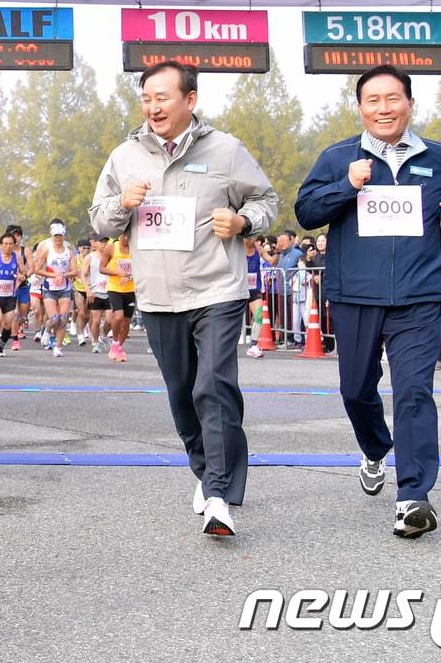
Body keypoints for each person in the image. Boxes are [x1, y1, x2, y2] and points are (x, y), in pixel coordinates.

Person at [91, 60, 277, 537]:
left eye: (163, 97)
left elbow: (266, 202)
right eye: (147, 98)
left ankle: (219, 493)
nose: (153, 107)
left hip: (216, 287)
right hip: (157, 296)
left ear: (189, 101)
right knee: (182, 394)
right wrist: (121, 205)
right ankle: (205, 467)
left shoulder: (226, 150)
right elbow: (99, 221)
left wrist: (242, 223)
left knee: (213, 386)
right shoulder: (123, 157)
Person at [296, 64, 441, 539]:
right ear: (361, 109)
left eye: (393, 98)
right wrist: (347, 185)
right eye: (373, 100)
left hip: (418, 298)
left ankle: (413, 497)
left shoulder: (437, 157)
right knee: (356, 390)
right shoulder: (339, 157)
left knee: (415, 393)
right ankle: (376, 447)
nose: (384, 108)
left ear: (410, 104)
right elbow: (307, 211)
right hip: (357, 295)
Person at [33, 220, 74, 356]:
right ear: (52, 235)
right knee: (55, 318)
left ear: (64, 235)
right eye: (56, 236)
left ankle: (58, 347)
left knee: (63, 318)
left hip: (64, 288)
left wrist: (64, 274)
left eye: (60, 235)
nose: (58, 238)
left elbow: (75, 271)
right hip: (49, 288)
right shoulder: (46, 249)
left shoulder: (69, 251)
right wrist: (52, 275)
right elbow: (37, 269)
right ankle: (47, 329)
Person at [0, 231, 26, 354]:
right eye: (5, 244)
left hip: (10, 296)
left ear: (14, 245)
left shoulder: (17, 258)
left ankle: (1, 346)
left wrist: (21, 277)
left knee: (8, 325)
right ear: (1, 245)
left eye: (11, 244)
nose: (8, 246)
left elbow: (23, 273)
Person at [100, 231, 136, 362]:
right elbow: (102, 268)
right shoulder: (111, 248)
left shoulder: (135, 248)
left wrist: (129, 276)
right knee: (118, 316)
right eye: (124, 235)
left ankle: (118, 347)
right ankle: (115, 342)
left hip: (131, 289)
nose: (126, 238)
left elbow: (143, 267)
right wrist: (117, 272)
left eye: (129, 236)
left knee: (126, 322)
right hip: (115, 288)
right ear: (119, 235)